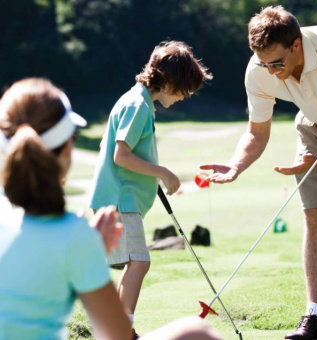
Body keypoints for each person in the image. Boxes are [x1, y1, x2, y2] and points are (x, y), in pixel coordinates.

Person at [200, 5, 317, 340]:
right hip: (315, 123)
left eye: (277, 63)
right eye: (263, 63)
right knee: (314, 216)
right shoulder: (259, 68)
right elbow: (257, 132)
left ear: (296, 45)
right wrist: (236, 165)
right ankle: (316, 319)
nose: (270, 71)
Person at [0, 77, 222, 340]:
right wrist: (91, 253)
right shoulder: (75, 236)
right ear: (67, 149)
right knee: (196, 332)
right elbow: (116, 334)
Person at [89, 40, 213, 337]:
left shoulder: (140, 102)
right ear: (169, 81)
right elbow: (122, 155)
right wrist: (162, 172)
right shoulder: (138, 105)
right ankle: (123, 331)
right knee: (140, 262)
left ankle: (118, 328)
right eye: (184, 90)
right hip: (120, 199)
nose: (184, 97)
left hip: (121, 198)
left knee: (136, 263)